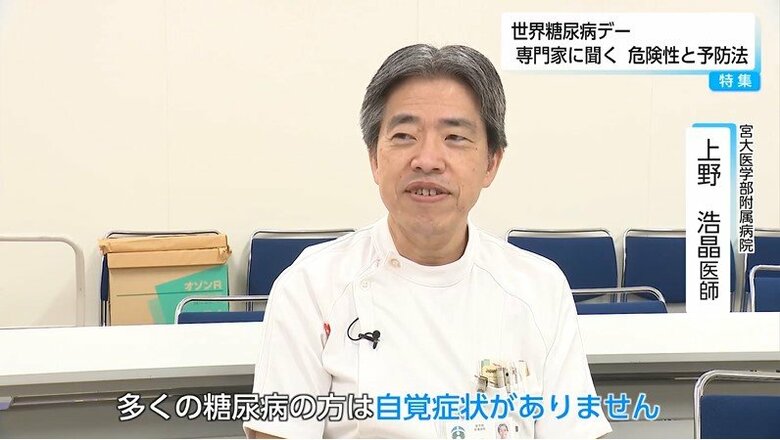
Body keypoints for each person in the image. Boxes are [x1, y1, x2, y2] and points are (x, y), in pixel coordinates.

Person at [244, 44, 611, 439]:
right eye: (404, 135)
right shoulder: (311, 286)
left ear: (491, 162)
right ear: (374, 159)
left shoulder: (539, 287)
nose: (427, 159)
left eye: (455, 137)